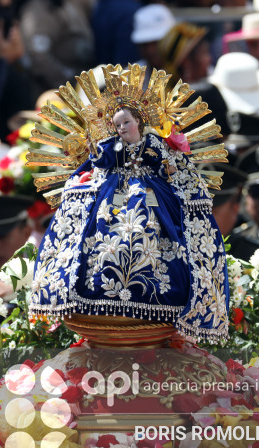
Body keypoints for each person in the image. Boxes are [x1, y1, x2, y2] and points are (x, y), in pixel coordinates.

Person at [29, 103, 229, 342]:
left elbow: (166, 162)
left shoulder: (152, 144)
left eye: (126, 123)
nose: (122, 128)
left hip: (150, 192)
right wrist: (93, 150)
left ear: (139, 122)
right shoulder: (113, 146)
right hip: (116, 192)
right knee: (109, 222)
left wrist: (172, 168)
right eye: (117, 125)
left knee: (154, 223)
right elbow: (101, 161)